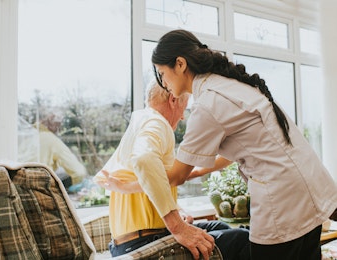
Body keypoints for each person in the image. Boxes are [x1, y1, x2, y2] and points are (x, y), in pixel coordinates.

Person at [148, 29, 337, 260]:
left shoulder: (208, 102)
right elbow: (230, 156)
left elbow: (176, 176)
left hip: (283, 201)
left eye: (162, 73)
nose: (163, 83)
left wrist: (138, 175)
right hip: (304, 191)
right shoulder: (228, 85)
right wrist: (191, 172)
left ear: (179, 64)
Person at [94, 82, 250, 259]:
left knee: (221, 228)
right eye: (185, 106)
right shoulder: (157, 123)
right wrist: (177, 225)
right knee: (243, 238)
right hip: (143, 243)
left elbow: (174, 176)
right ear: (173, 99)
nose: (183, 116)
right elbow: (144, 159)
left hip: (129, 243)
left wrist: (176, 208)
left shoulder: (141, 122)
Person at [18, 113, 87, 187]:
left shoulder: (24, 138)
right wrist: (59, 187)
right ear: (54, 125)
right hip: (38, 188)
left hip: (18, 187)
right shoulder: (52, 140)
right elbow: (79, 172)